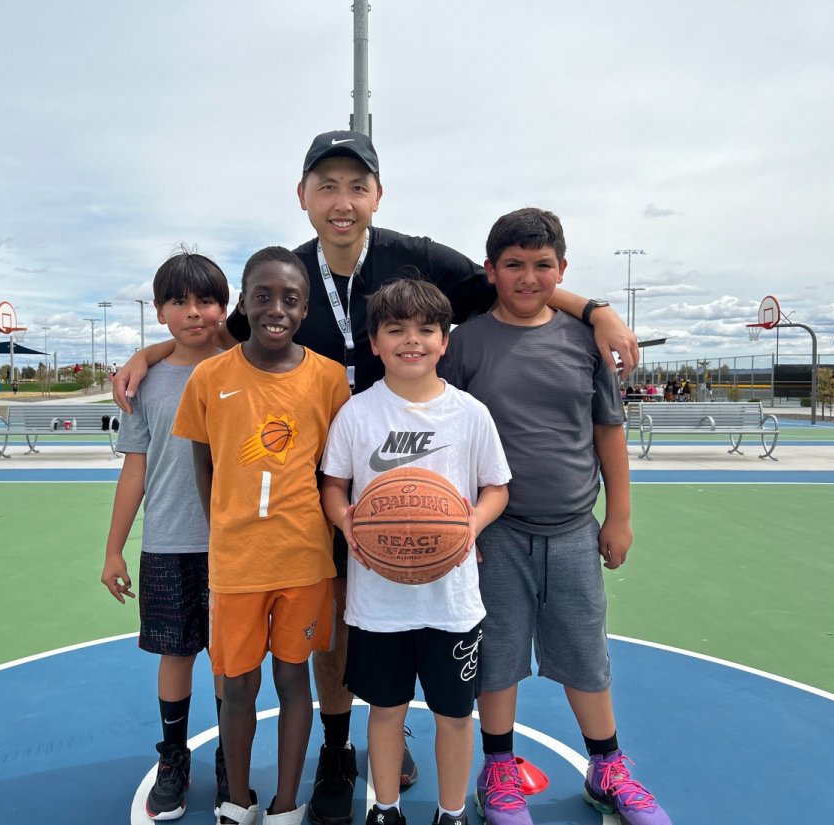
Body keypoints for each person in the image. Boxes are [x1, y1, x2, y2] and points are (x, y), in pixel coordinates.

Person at [115, 130, 641, 825]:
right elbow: (219, 335)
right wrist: (151, 353)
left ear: (377, 196)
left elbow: (514, 281)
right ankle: (340, 746)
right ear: (303, 197)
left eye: (356, 187)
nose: (342, 201)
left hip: (412, 480)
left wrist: (595, 309)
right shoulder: (287, 275)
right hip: (321, 480)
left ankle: (397, 736)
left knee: (405, 612)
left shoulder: (417, 257)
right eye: (327, 186)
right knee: (338, 619)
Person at [439, 208, 670, 825]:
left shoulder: (584, 340)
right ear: (490, 271)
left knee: (585, 653)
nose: (528, 277)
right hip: (497, 533)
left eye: (542, 264)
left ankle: (607, 767)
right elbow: (447, 438)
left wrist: (618, 516)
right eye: (513, 264)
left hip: (572, 529)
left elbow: (608, 432)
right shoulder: (465, 345)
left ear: (562, 269)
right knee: (496, 656)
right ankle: (498, 768)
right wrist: (463, 523)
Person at [320, 277, 510, 825]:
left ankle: (452, 813)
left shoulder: (469, 413)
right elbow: (333, 486)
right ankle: (385, 809)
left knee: (455, 714)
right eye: (396, 329)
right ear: (374, 342)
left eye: (427, 330)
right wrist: (347, 522)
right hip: (378, 602)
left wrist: (470, 524)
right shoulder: (357, 413)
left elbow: (497, 488)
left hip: (452, 601)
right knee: (385, 711)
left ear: (444, 341)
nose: (412, 340)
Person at [173, 247, 350, 825]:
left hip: (303, 560)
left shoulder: (328, 378)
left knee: (294, 679)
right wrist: (226, 527)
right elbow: (203, 465)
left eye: (290, 299)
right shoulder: (209, 377)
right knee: (237, 686)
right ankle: (238, 799)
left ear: (305, 309)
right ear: (243, 304)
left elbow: (336, 470)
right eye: (263, 297)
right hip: (237, 563)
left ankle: (285, 803)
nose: (277, 309)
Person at [100, 250, 231, 820]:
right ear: (159, 311)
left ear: (225, 308)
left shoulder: (241, 368)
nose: (193, 312)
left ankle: (231, 757)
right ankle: (174, 757)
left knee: (228, 661)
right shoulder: (145, 385)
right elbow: (135, 470)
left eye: (206, 300)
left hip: (233, 546)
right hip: (168, 543)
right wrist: (113, 549)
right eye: (179, 301)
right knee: (176, 655)